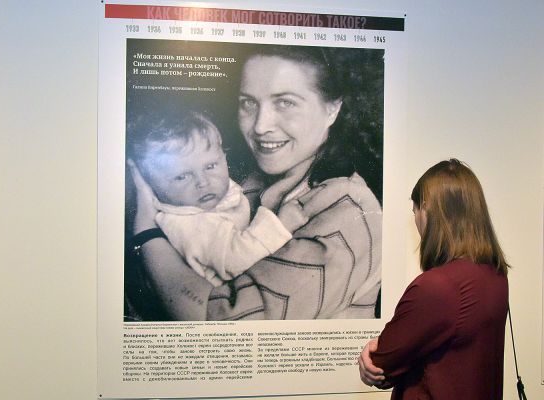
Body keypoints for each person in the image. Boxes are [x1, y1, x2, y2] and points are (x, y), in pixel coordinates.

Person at [128, 44, 383, 321]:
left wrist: (146, 233)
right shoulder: (252, 182)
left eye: (285, 102)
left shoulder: (347, 212)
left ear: (332, 109)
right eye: (248, 103)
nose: (260, 126)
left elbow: (223, 322)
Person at [358, 159, 509, 399]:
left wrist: (371, 350)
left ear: (427, 209)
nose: (416, 220)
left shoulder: (437, 287)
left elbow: (381, 363)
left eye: (415, 210)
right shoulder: (495, 275)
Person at [127, 110, 309, 287]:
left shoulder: (197, 199)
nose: (203, 182)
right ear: (151, 185)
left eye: (211, 166)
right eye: (182, 177)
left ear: (224, 157)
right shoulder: (190, 224)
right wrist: (281, 225)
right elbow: (235, 259)